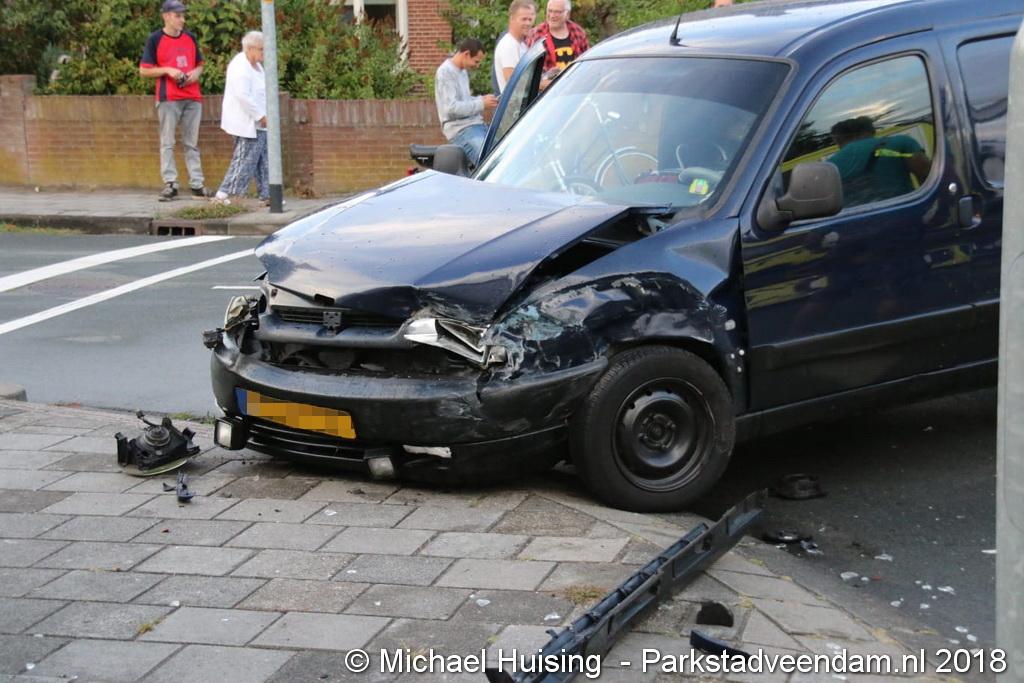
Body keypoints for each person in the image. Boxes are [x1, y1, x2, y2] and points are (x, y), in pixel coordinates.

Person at [139, 0, 209, 201]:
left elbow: (200, 64)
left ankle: (197, 184)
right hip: (168, 97)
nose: (182, 20)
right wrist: (168, 70)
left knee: (191, 143)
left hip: (192, 96)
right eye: (178, 16)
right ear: (166, 16)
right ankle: (170, 183)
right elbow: (144, 70)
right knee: (167, 141)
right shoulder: (155, 39)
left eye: (183, 15)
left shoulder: (190, 37)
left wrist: (195, 74)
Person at [214, 32, 269, 205]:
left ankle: (267, 193)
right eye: (261, 49)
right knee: (244, 159)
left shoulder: (257, 66)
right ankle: (225, 194)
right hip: (246, 123)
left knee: (263, 159)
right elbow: (243, 95)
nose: (264, 53)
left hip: (259, 122)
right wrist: (260, 115)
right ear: (250, 49)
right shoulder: (240, 66)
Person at [828, 116, 931, 206]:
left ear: (837, 139)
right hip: (905, 210)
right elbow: (927, 175)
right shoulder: (901, 142)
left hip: (860, 220)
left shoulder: (828, 166)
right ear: (870, 130)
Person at [434, 38, 499, 167]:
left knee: (501, 153)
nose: (477, 65)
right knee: (490, 163)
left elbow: (464, 101)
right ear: (466, 54)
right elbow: (451, 108)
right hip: (461, 130)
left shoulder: (462, 71)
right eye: (476, 61)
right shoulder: (445, 72)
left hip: (475, 125)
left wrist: (482, 99)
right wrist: (481, 104)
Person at [526, 0, 589, 75]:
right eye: (550, 11)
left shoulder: (578, 33)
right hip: (548, 82)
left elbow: (587, 62)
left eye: (557, 12)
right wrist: (547, 76)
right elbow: (529, 70)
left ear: (567, 14)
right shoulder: (536, 34)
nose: (552, 15)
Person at [494, 0, 536, 94]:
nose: (528, 23)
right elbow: (513, 83)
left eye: (530, 19)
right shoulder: (508, 45)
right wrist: (541, 84)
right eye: (524, 19)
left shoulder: (521, 44)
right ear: (512, 19)